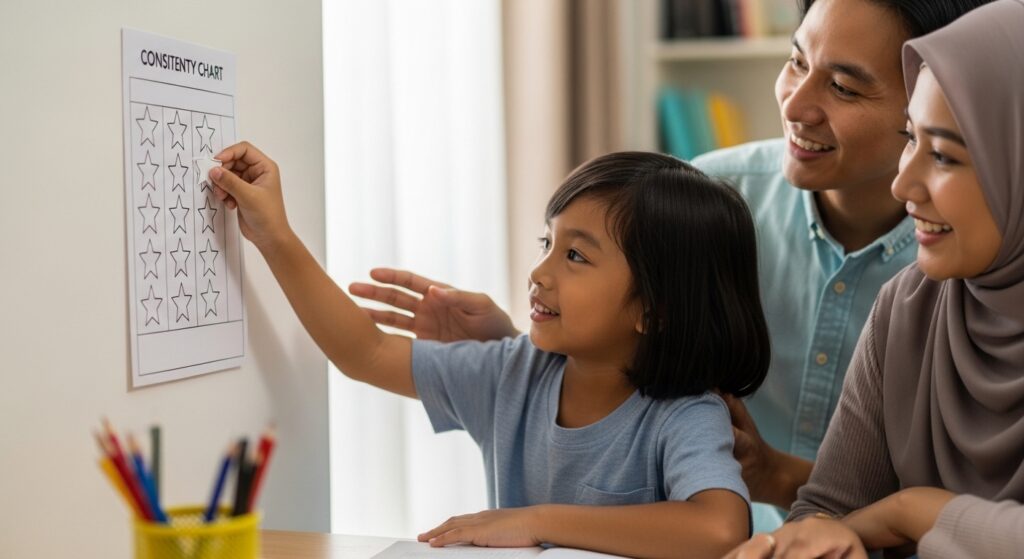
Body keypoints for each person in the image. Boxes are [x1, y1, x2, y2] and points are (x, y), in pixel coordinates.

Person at [346, 0, 993, 532]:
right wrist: (517, 348)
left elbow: (970, 513)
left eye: (845, 86)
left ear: (936, 100)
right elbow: (629, 370)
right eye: (796, 60)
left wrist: (778, 474)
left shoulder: (979, 265)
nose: (796, 105)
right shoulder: (705, 203)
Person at [208, 148, 772, 557]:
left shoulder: (685, 412)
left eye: (575, 257)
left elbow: (719, 529)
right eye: (546, 244)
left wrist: (536, 521)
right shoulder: (512, 372)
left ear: (654, 309)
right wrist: (273, 235)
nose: (538, 273)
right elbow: (367, 352)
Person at [723, 1, 1024, 556]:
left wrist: (916, 511)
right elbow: (826, 515)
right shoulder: (912, 304)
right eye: (913, 139)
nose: (903, 184)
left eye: (945, 156)